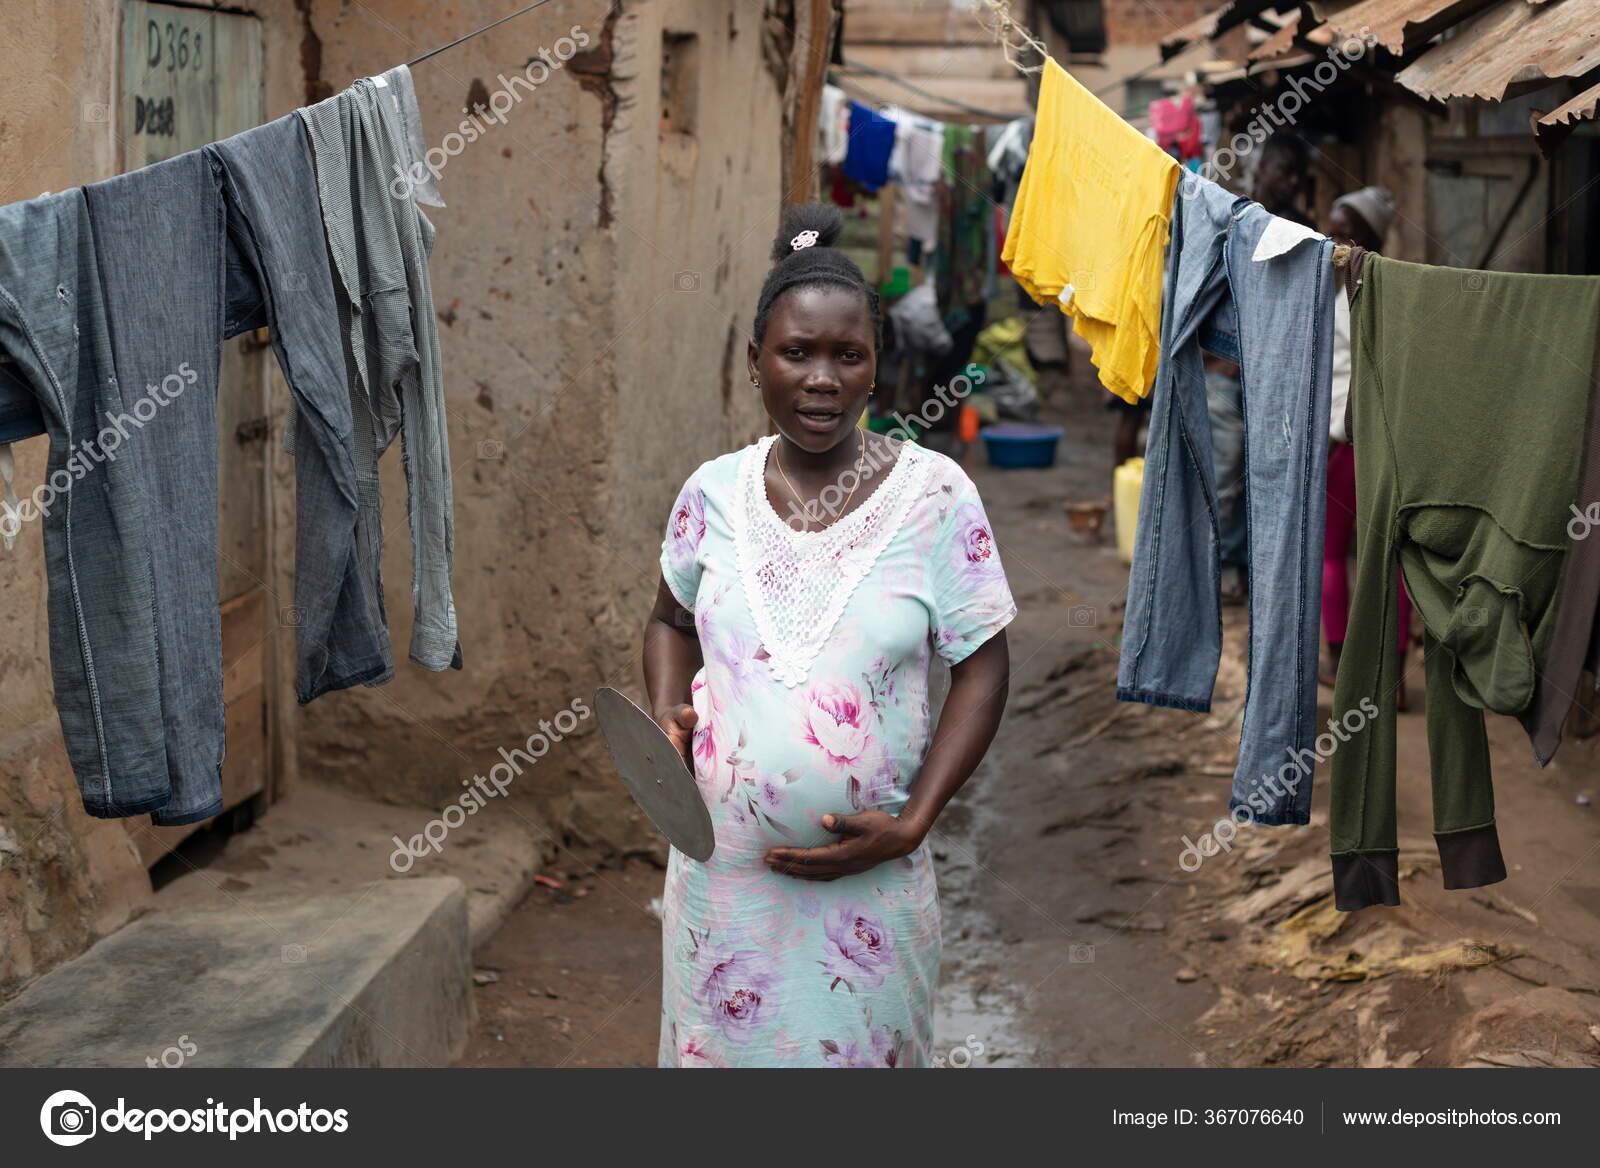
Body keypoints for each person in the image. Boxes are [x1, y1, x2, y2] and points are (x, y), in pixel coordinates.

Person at [643, 203, 1017, 1068]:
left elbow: (983, 667)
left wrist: (916, 819)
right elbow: (670, 620)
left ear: (877, 370)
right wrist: (669, 709)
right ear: (754, 363)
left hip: (870, 887)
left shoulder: (936, 496)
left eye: (847, 356)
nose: (821, 379)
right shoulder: (711, 494)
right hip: (723, 884)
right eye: (796, 353)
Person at [1207, 133, 1317, 603]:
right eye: (1280, 170)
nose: (1287, 182)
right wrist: (1221, 358)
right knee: (1227, 473)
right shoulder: (1235, 226)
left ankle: (1264, 575)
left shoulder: (1307, 233)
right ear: (1262, 170)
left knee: (1274, 474)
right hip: (1229, 370)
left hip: (1282, 376)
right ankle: (1226, 567)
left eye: (1295, 175)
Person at [1319, 185, 1412, 708]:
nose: (1335, 238)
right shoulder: (1396, 290)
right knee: (1388, 557)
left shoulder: (1340, 294)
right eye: (1332, 228)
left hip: (1344, 441)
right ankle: (1393, 679)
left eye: (1345, 229)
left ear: (1368, 236)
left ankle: (1337, 664)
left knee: (1333, 553)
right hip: (1383, 440)